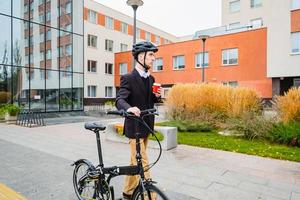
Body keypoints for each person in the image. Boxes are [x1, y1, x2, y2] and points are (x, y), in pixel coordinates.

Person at [115, 41, 161, 199]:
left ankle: (128, 192)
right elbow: (120, 99)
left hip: (147, 126)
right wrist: (128, 108)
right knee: (143, 164)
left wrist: (156, 96)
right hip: (135, 129)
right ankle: (151, 197)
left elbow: (149, 101)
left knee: (135, 161)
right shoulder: (128, 77)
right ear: (141, 56)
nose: (154, 58)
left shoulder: (151, 78)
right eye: (151, 55)